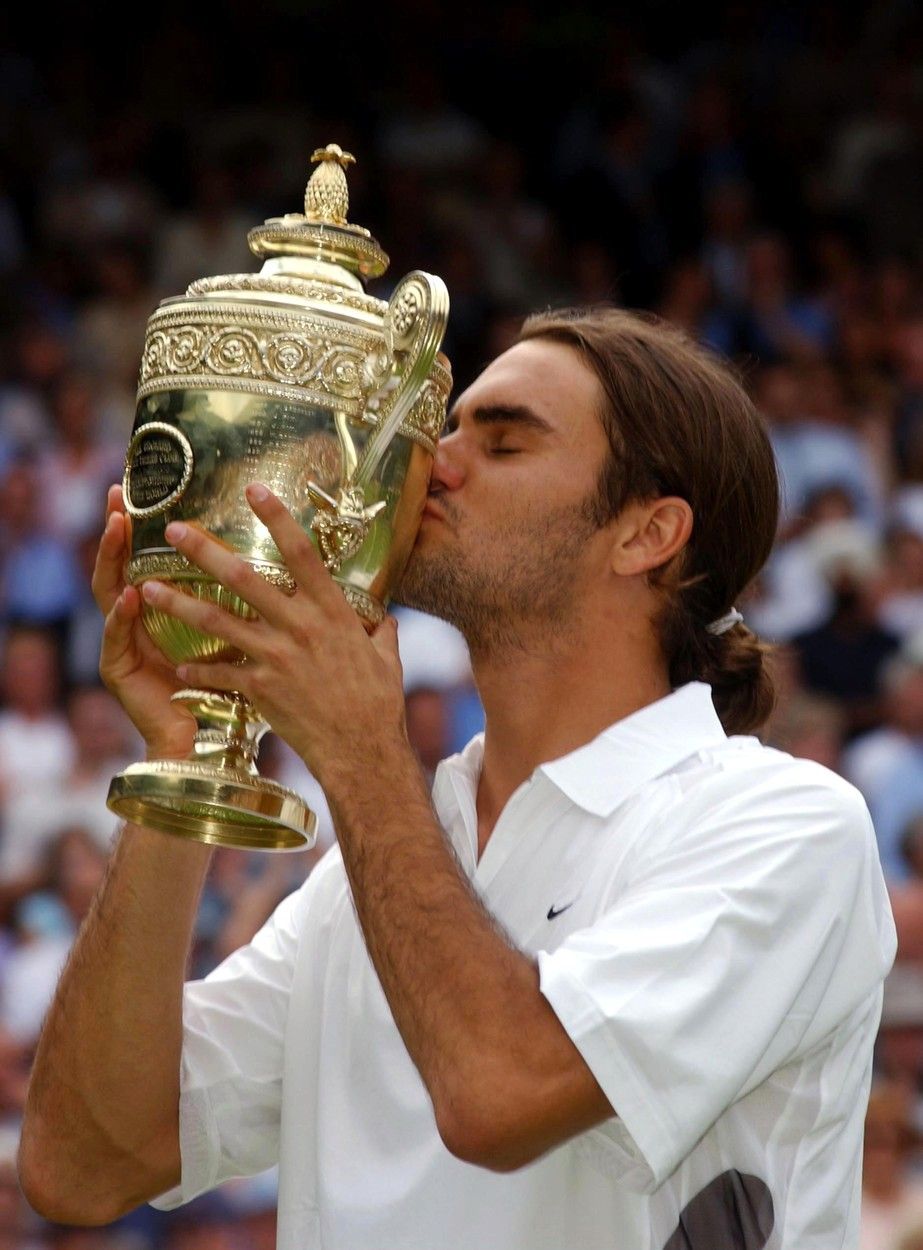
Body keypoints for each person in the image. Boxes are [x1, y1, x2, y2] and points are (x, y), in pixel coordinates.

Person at [19, 308, 896, 1249]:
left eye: (505, 442)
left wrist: (360, 748)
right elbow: (82, 1164)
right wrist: (195, 749)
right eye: (446, 428)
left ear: (648, 533)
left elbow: (500, 1097)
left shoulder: (785, 824)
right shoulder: (377, 869)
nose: (430, 464)